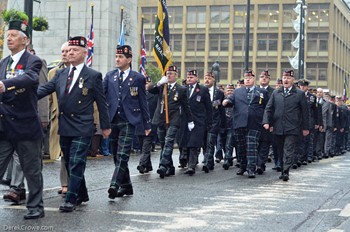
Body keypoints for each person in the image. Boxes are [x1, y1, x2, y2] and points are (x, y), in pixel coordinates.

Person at [37, 36, 111, 212]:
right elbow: (44, 90)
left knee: (77, 161)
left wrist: (105, 126)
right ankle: (82, 193)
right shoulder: (60, 74)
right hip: (65, 124)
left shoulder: (93, 76)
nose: (70, 52)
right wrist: (22, 95)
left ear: (85, 53)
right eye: (68, 50)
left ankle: (71, 198)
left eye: (75, 50)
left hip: (83, 126)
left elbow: (102, 103)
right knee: (70, 161)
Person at [0, 19, 44, 219]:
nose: (8, 38)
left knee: (32, 170)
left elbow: (30, 78)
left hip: (25, 125)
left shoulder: (32, 61)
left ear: (25, 40)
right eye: (7, 35)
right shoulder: (3, 62)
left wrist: (5, 84)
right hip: (4, 126)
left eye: (13, 35)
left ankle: (36, 206)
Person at [104, 45, 151, 198]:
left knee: (123, 154)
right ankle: (127, 186)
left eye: (121, 57)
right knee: (117, 155)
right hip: (113, 120)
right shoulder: (110, 76)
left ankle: (114, 184)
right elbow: (102, 97)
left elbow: (143, 101)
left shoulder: (138, 78)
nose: (117, 59)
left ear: (129, 59)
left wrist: (147, 124)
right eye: (116, 57)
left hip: (129, 120)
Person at [263, 70, 309, 181]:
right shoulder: (276, 93)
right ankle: (283, 167)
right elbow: (269, 109)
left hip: (292, 127)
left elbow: (305, 112)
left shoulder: (299, 94)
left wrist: (306, 127)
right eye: (284, 78)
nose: (286, 80)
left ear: (293, 80)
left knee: (288, 149)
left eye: (288, 78)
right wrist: (266, 121)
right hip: (278, 127)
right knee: (279, 150)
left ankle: (286, 171)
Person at [222, 70, 269, 178]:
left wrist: (267, 121)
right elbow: (230, 100)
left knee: (251, 146)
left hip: (255, 123)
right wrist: (226, 101)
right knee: (241, 146)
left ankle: (251, 168)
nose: (247, 79)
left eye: (250, 78)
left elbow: (267, 108)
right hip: (240, 123)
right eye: (246, 78)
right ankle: (243, 166)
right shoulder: (238, 91)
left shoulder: (262, 92)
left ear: (254, 79)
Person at [149, 65, 193, 178]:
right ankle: (170, 167)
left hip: (173, 118)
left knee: (169, 141)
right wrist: (159, 82)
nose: (168, 75)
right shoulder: (161, 86)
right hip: (161, 118)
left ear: (176, 75)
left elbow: (186, 106)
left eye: (171, 74)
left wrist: (190, 120)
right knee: (163, 143)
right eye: (167, 73)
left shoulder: (181, 89)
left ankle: (163, 165)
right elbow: (150, 90)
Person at [47, 42, 70, 196]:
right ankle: (65, 184)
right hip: (57, 117)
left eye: (68, 51)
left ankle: (72, 184)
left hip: (74, 119)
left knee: (70, 153)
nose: (64, 54)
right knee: (62, 153)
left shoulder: (82, 73)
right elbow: (49, 97)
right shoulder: (53, 73)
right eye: (62, 51)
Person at [181, 69, 212, 176]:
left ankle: (191, 166)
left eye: (192, 77)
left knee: (194, 143)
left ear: (197, 78)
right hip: (185, 121)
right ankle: (187, 162)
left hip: (198, 121)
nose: (189, 79)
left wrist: (209, 122)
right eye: (188, 77)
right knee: (186, 143)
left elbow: (208, 107)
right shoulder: (183, 89)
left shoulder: (202, 90)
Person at [202, 71, 225, 173]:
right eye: (206, 78)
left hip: (214, 122)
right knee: (204, 143)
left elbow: (221, 110)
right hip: (202, 122)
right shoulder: (201, 91)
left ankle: (207, 162)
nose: (207, 80)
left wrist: (223, 124)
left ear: (213, 80)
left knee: (211, 142)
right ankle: (210, 161)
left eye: (209, 78)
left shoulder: (219, 93)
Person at [256, 70, 275, 174]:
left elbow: (274, 109)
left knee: (265, 143)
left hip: (268, 122)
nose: (264, 78)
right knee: (256, 144)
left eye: (266, 77)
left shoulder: (274, 92)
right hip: (255, 121)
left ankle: (260, 164)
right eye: (262, 76)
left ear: (269, 79)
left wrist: (272, 123)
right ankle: (257, 162)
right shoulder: (254, 90)